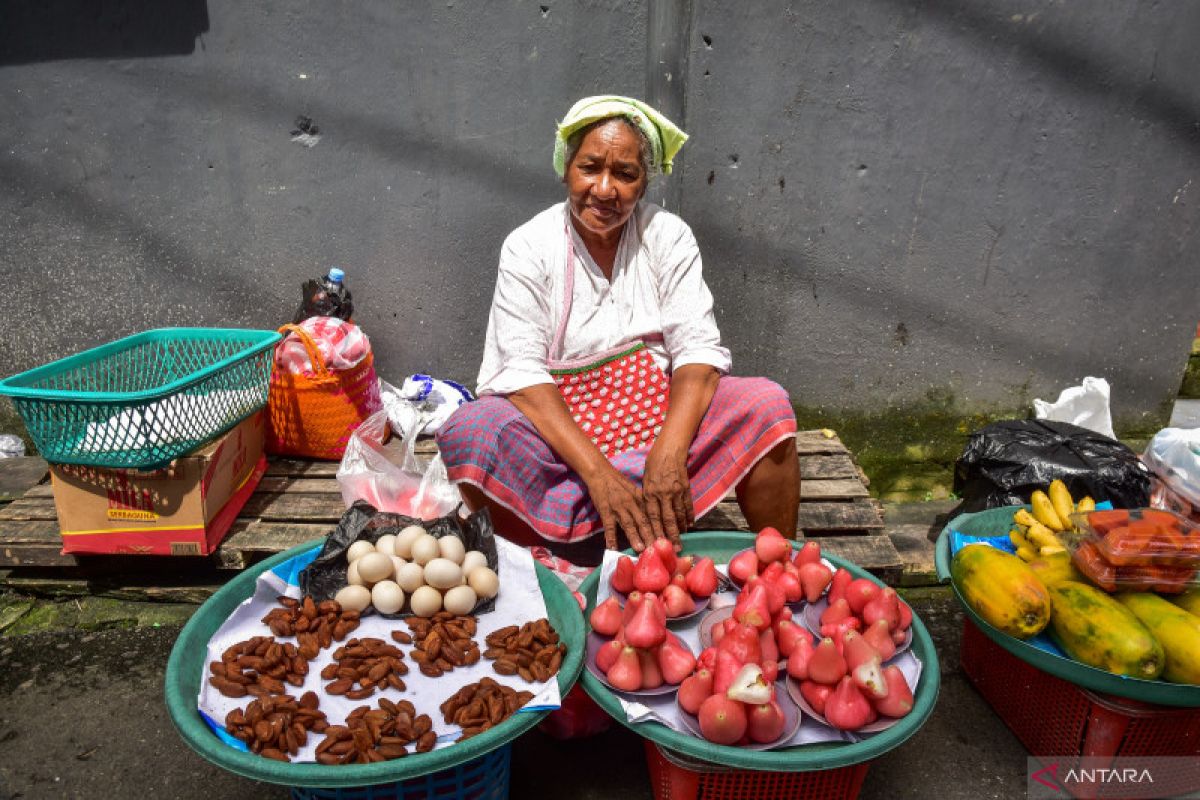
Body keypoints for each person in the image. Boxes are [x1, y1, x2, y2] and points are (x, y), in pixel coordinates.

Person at [437, 95, 800, 567]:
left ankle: (780, 568)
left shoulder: (667, 235)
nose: (604, 190)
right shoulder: (529, 246)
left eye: (625, 174)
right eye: (590, 167)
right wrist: (600, 475)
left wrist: (668, 453)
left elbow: (697, 350)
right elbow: (521, 373)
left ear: (644, 181)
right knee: (472, 430)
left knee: (765, 404)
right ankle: (539, 569)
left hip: (657, 428)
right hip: (561, 447)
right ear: (566, 167)